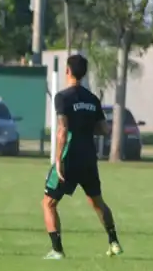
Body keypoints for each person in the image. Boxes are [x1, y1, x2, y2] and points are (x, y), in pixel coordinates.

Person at [43, 54, 121, 259]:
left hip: (69, 157)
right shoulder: (93, 99)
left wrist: (58, 160)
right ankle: (114, 242)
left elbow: (62, 130)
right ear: (84, 73)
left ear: (68, 71)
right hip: (88, 158)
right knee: (97, 202)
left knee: (48, 203)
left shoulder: (62, 97)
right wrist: (85, 126)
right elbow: (104, 129)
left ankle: (57, 250)